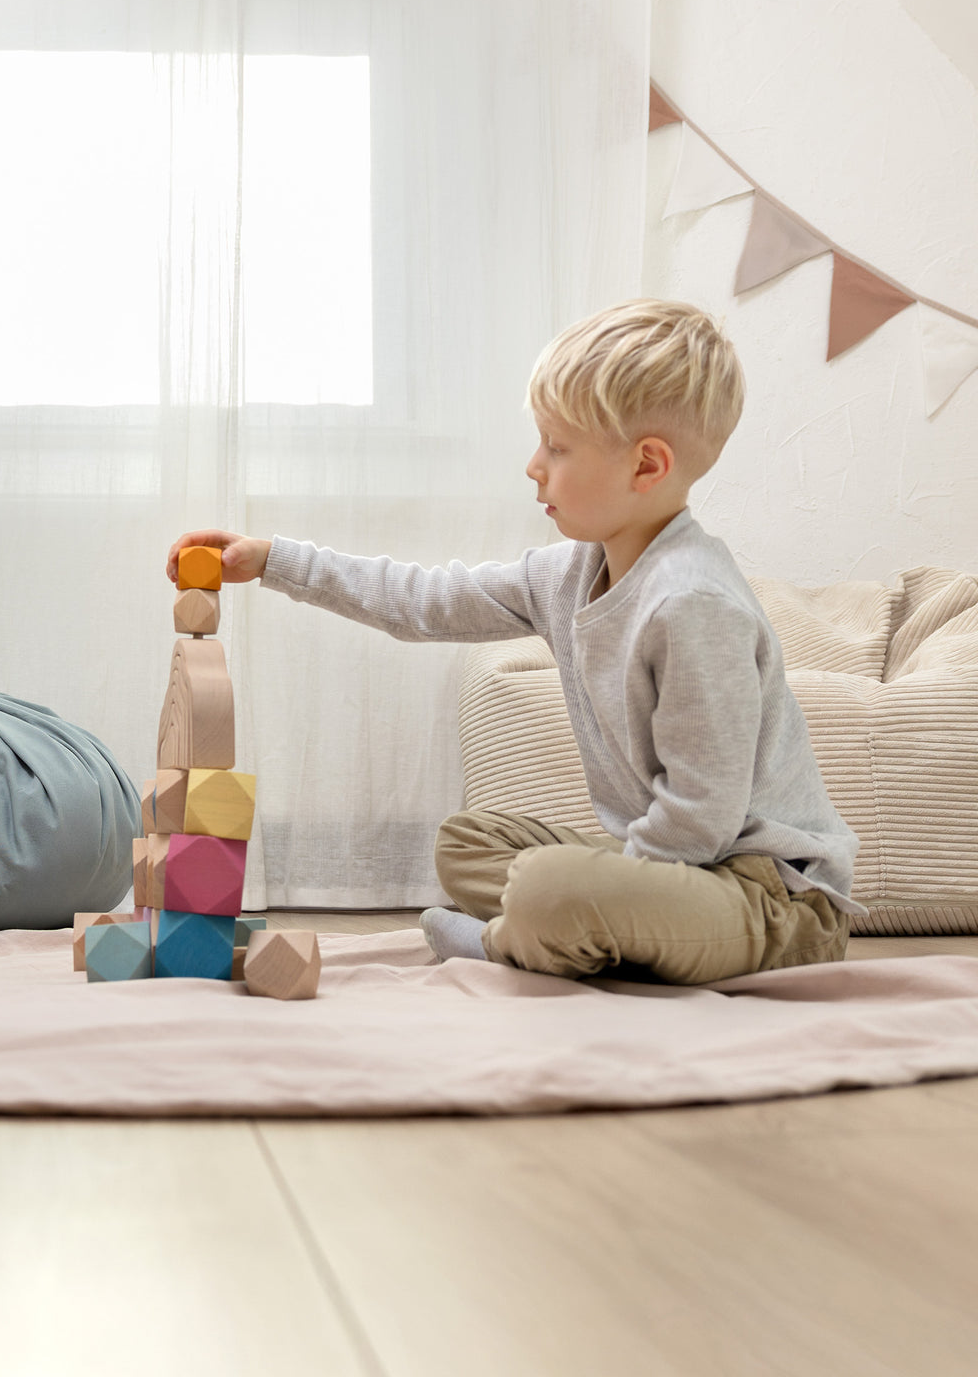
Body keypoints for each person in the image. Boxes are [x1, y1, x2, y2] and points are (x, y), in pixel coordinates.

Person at [166, 299, 862, 984]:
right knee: (467, 842)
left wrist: (595, 885)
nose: (534, 465)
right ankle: (580, 927)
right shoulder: (566, 574)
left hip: (769, 902)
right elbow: (424, 602)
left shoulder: (692, 604)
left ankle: (514, 938)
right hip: (678, 869)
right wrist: (274, 560)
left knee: (549, 891)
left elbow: (701, 817)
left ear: (646, 466)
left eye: (557, 447)